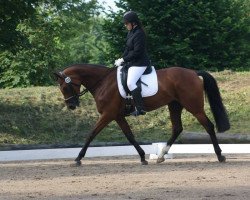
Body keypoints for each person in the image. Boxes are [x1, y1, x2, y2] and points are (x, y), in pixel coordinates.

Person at [115, 11, 150, 116]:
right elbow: (128, 48)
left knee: (130, 83)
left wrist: (124, 60)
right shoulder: (131, 32)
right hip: (133, 62)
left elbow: (137, 52)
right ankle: (127, 105)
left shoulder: (140, 33)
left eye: (126, 23)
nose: (125, 25)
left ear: (133, 23)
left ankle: (140, 108)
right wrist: (121, 58)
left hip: (140, 63)